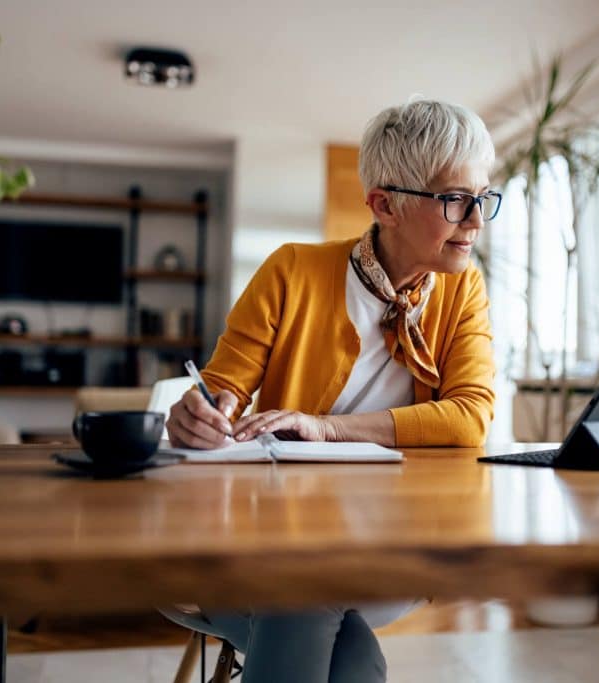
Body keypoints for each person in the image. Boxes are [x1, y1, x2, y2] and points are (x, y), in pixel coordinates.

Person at [165, 99, 500, 683]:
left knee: (310, 598)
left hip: (391, 547)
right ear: (384, 205)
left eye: (483, 198)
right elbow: (221, 391)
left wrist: (328, 426)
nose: (475, 220)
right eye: (455, 200)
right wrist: (199, 414)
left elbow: (470, 417)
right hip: (263, 541)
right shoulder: (291, 271)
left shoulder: (462, 290)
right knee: (346, 648)